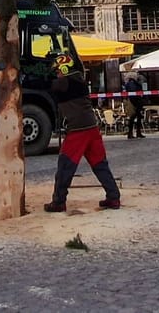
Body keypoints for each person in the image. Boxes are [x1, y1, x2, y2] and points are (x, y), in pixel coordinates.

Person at [42, 54, 121, 213]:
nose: (57, 74)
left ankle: (59, 201)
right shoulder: (79, 79)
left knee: (65, 166)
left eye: (58, 71)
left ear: (64, 69)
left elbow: (47, 84)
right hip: (92, 128)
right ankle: (113, 196)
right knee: (100, 164)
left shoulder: (65, 82)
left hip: (78, 131)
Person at [122, 71, 146, 139]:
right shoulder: (132, 84)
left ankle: (135, 133)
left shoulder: (130, 83)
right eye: (136, 75)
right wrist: (136, 103)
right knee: (133, 118)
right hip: (135, 103)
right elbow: (133, 94)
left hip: (135, 102)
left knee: (135, 118)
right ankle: (132, 133)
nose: (137, 76)